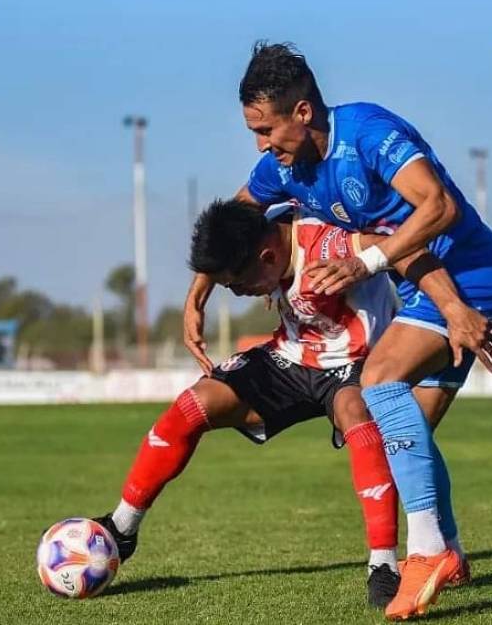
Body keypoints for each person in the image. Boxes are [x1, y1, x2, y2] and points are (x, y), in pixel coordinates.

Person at [182, 42, 492, 620]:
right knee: (404, 435)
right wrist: (198, 294)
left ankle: (426, 553)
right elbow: (233, 225)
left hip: (468, 277)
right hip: (428, 288)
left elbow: (438, 208)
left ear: (303, 111)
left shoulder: (367, 134)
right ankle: (450, 551)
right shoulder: (285, 168)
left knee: (379, 379)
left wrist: (367, 265)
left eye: (266, 129)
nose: (261, 145)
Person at [98, 200, 464, 609]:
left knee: (356, 413)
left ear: (267, 257)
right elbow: (225, 223)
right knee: (193, 404)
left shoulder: (328, 244)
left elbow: (401, 248)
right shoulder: (265, 226)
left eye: (238, 285)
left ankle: (383, 563)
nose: (238, 294)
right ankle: (122, 527)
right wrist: (195, 300)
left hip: (354, 363)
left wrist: (451, 308)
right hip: (289, 356)